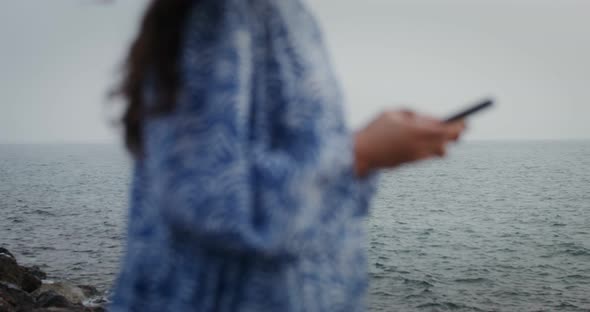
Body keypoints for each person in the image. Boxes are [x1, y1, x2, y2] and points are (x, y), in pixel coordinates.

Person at [109, 0, 465, 311]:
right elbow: (208, 196)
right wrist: (362, 151)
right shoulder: (228, 10)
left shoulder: (283, 11)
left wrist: (365, 152)